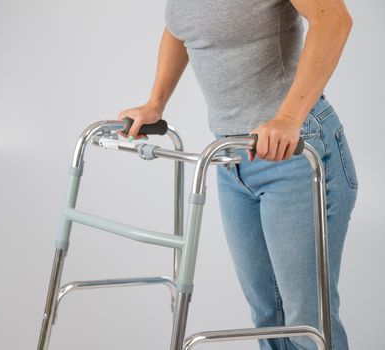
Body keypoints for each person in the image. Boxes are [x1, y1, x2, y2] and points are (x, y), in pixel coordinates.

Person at [117, 0, 358, 349]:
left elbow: (334, 20)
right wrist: (156, 103)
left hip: (295, 151)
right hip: (231, 156)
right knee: (267, 316)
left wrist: (287, 118)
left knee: (308, 325)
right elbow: (180, 28)